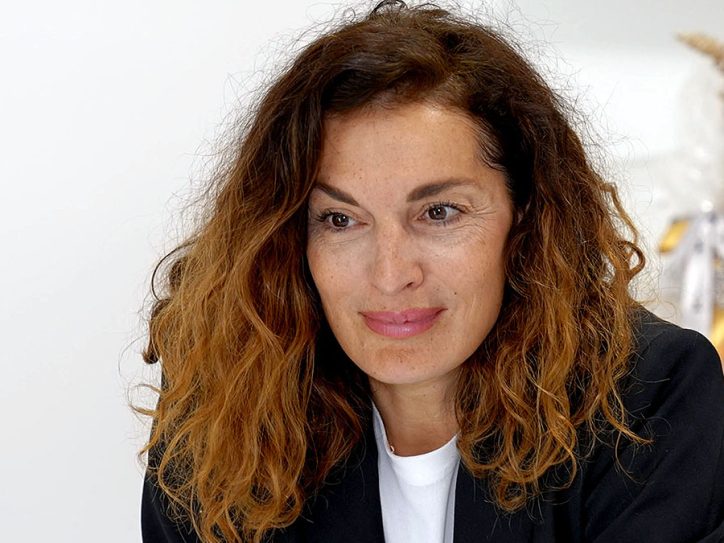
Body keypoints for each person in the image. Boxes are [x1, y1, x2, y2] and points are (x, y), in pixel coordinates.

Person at [138, 1, 724, 542]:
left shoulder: (649, 398)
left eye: (439, 213)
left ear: (526, 217)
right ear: (290, 237)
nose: (391, 274)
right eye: (341, 219)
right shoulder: (223, 402)